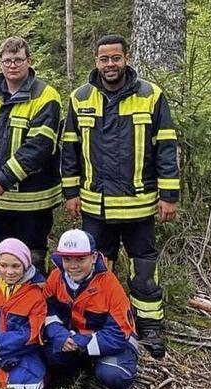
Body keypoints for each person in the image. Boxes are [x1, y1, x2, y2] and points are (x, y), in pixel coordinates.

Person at [61, 34, 180, 358]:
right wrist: (70, 192)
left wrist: (169, 194)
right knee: (99, 269)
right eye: (104, 59)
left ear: (126, 58)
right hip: (95, 207)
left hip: (140, 205)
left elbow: (166, 147)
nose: (110, 65)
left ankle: (150, 326)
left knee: (144, 268)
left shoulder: (151, 96)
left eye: (115, 58)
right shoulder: (80, 98)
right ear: (95, 60)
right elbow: (69, 149)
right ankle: (102, 323)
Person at [0, 36, 62, 276]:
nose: (13, 65)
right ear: (0, 64)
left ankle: (34, 307)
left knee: (31, 258)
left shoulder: (46, 96)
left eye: (18, 60)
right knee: (0, 257)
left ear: (29, 61)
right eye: (7, 61)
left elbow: (40, 147)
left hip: (32, 201)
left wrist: (5, 177)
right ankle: (1, 307)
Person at [43, 229, 138, 389]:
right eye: (67, 259)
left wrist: (80, 342)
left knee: (113, 375)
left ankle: (119, 384)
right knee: (49, 355)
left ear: (93, 258)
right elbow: (47, 312)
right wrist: (60, 336)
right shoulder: (55, 277)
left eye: (80, 259)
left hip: (112, 344)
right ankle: (81, 373)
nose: (73, 266)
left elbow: (119, 333)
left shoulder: (109, 284)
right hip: (73, 340)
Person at [0, 238, 47, 389]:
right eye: (4, 265)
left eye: (16, 266)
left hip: (22, 352)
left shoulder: (36, 292)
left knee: (27, 385)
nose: (9, 271)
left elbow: (32, 333)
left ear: (25, 265)